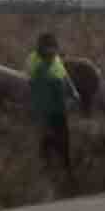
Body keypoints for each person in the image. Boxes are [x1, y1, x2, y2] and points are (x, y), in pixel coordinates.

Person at [23, 31, 81, 190]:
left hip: (58, 107)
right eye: (49, 51)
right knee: (46, 140)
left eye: (54, 51)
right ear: (41, 49)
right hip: (43, 108)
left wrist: (73, 92)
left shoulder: (54, 59)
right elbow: (36, 84)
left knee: (63, 141)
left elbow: (64, 76)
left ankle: (67, 173)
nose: (52, 55)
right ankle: (47, 176)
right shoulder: (34, 61)